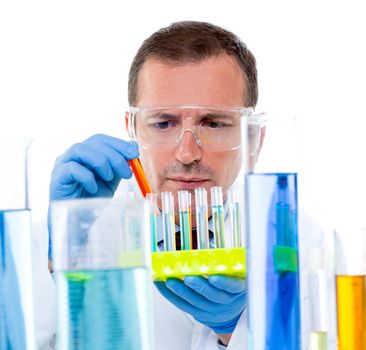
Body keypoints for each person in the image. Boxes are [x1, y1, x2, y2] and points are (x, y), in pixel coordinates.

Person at [37, 21, 334, 349]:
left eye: (215, 123)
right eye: (163, 123)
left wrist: (240, 328)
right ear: (132, 130)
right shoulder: (81, 229)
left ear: (254, 139)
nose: (188, 152)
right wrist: (59, 257)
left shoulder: (301, 243)